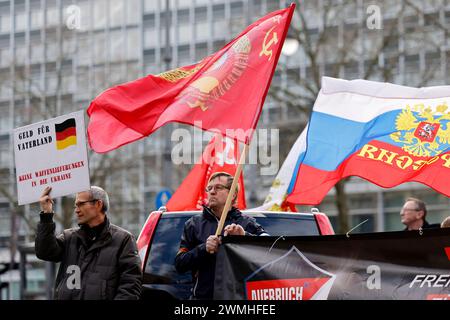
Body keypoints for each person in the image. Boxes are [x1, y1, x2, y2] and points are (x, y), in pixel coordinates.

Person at [35, 186, 142, 300]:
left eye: (81, 204)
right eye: (76, 205)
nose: (76, 210)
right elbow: (44, 252)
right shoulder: (70, 237)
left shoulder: (123, 240)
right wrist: (46, 214)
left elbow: (130, 286)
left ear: (98, 204)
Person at [174, 172, 267, 300]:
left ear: (232, 194)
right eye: (209, 188)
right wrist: (203, 249)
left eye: (218, 188)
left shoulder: (246, 222)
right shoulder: (193, 224)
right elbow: (180, 264)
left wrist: (244, 235)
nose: (212, 192)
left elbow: (269, 248)